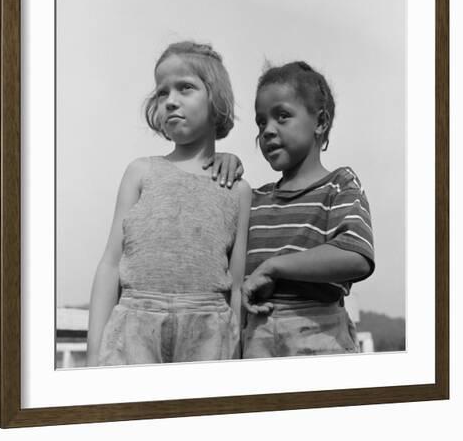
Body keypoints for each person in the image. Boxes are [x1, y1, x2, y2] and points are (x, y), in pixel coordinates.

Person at [86, 41, 252, 366]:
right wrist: (94, 352)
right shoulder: (140, 172)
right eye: (163, 93)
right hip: (133, 325)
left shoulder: (237, 189)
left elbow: (236, 285)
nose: (171, 101)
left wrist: (238, 359)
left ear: (215, 98)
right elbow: (109, 264)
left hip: (210, 331)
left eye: (185, 88)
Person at [214, 61, 374, 357]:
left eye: (282, 116)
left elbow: (356, 255)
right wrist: (217, 162)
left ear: (321, 122)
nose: (267, 131)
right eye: (261, 122)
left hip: (323, 336)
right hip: (255, 340)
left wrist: (275, 266)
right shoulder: (254, 199)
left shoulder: (339, 184)